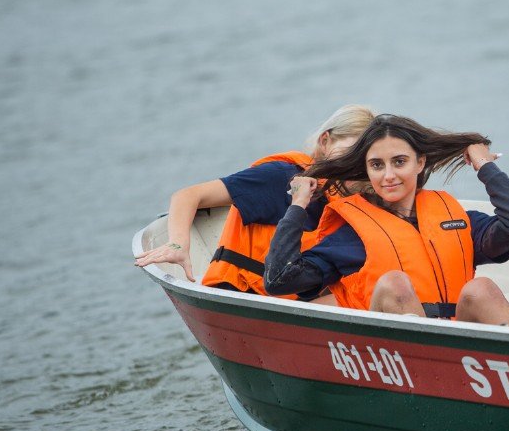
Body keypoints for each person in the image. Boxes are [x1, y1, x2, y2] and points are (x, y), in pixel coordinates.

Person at [262, 114, 509, 325]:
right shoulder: (351, 237)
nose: (388, 176)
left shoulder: (458, 221)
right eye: (377, 165)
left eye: (399, 161)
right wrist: (298, 204)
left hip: (458, 352)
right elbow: (278, 279)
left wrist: (484, 165)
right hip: (392, 362)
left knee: (482, 289)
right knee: (394, 283)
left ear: (420, 163)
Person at [134, 105, 376, 300]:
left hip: (297, 299)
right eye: (349, 152)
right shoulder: (279, 176)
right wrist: (178, 244)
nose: (352, 164)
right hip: (243, 295)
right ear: (325, 141)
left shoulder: (348, 199)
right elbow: (188, 196)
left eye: (362, 160)